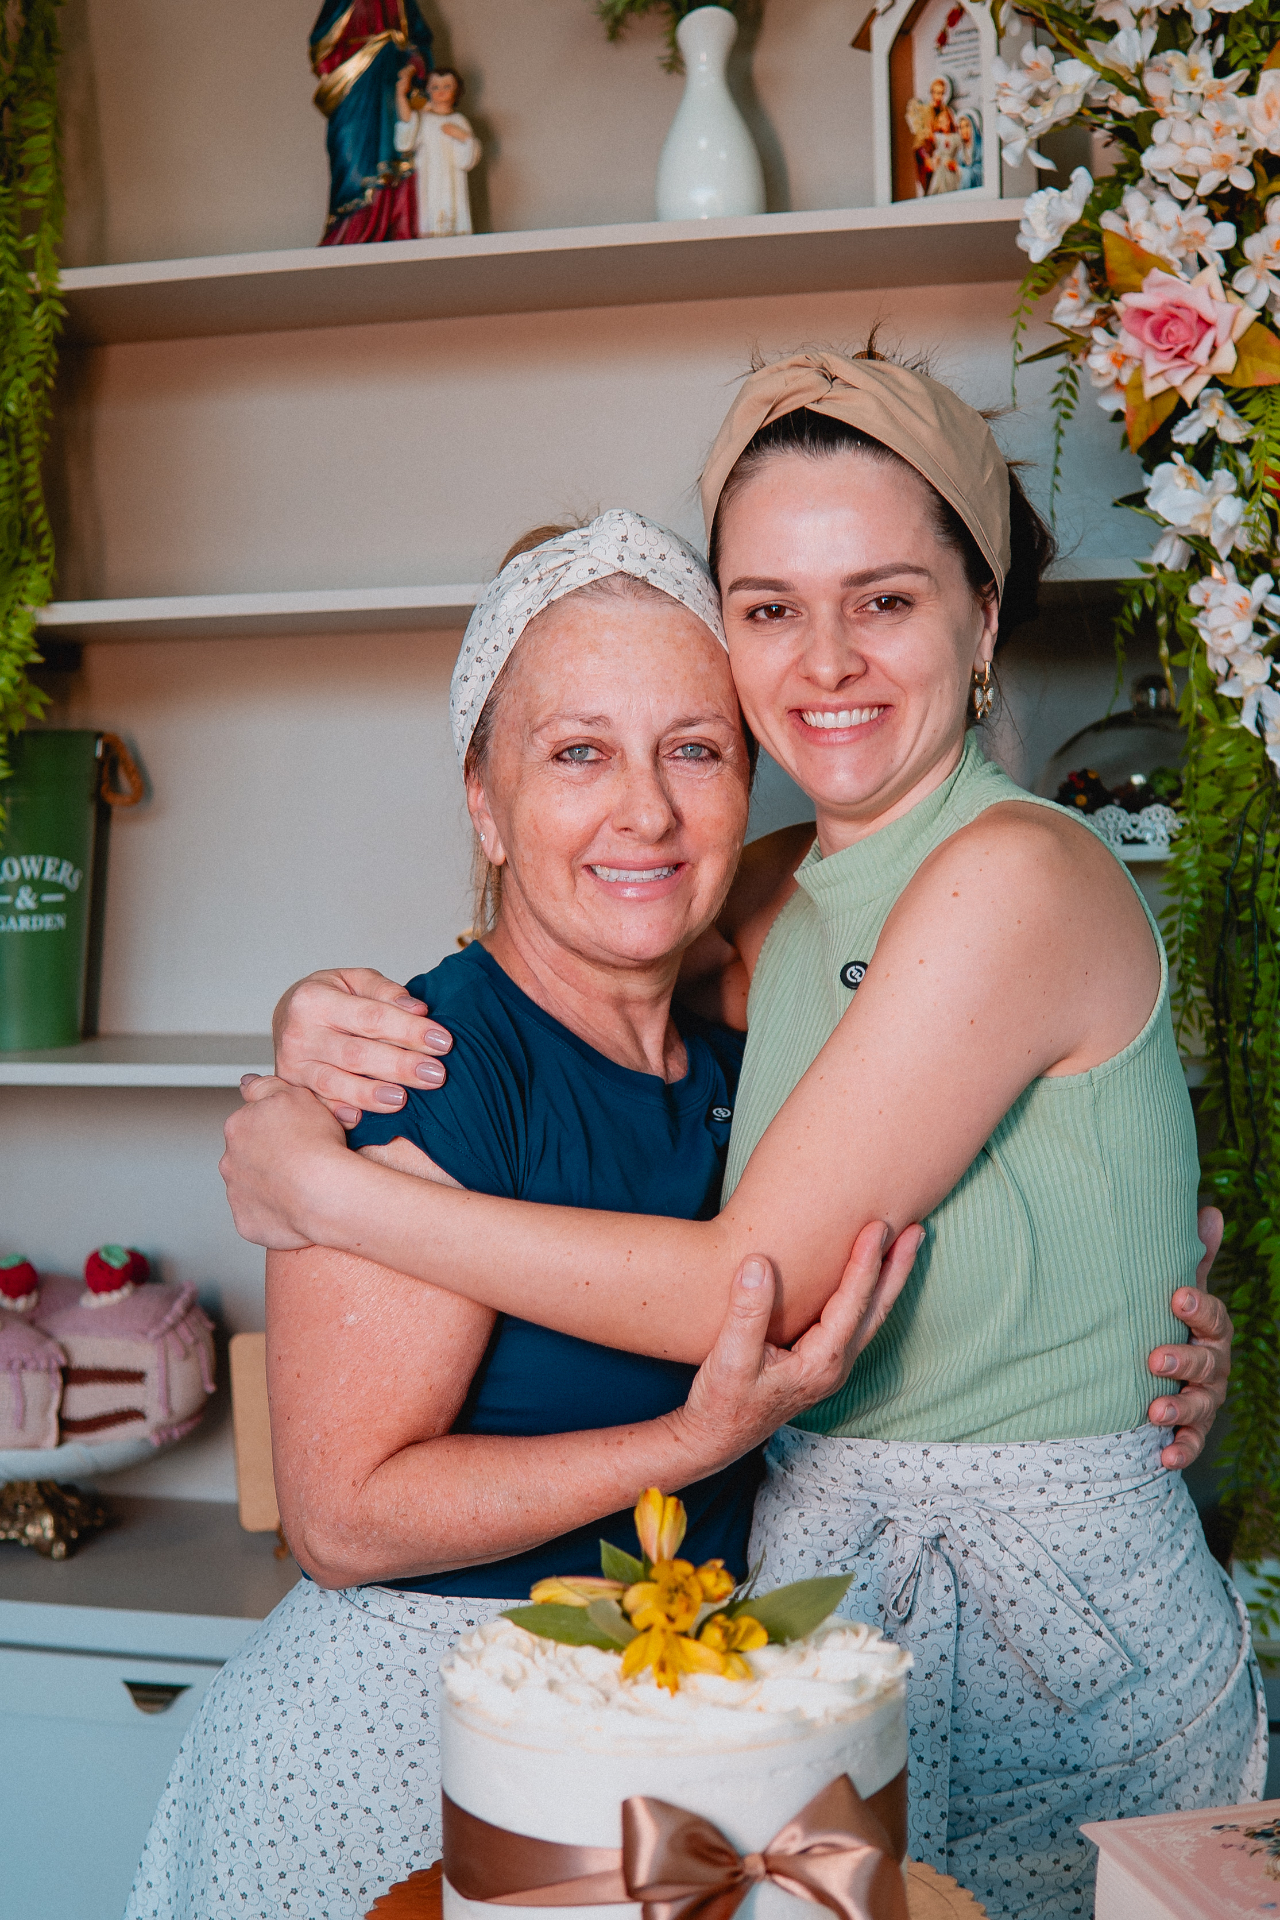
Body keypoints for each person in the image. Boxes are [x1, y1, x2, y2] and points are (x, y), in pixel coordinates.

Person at [223, 350, 1262, 1920]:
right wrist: (308, 1026)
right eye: (770, 606)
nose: (826, 657)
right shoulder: (771, 894)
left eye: (887, 599)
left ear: (983, 622)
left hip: (1044, 1643)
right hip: (805, 1636)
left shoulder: (1015, 878)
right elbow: (569, 941)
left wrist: (331, 1195)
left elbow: (746, 1280)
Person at [124, 513, 918, 1920]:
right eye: (577, 753)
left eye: (694, 748)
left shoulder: (757, 1046)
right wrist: (688, 1444)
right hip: (406, 1770)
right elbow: (343, 1520)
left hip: (684, 1757)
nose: (648, 813)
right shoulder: (414, 1068)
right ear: (483, 807)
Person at [310, 0, 434, 246]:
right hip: (351, 83)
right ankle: (348, 230)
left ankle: (395, 224)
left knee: (395, 148)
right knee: (349, 154)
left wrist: (412, 67)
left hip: (390, 78)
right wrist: (329, 70)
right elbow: (321, 41)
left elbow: (420, 42)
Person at [394, 65, 480, 238]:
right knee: (429, 214)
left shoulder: (459, 120)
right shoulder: (423, 119)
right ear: (427, 90)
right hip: (429, 179)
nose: (441, 91)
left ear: (456, 91)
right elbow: (407, 128)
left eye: (447, 86)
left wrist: (463, 137)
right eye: (435, 87)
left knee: (454, 211)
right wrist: (401, 95)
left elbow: (466, 159)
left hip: (452, 180)